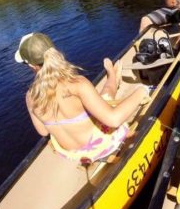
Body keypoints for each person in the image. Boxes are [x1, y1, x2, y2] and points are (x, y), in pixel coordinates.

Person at [15, 32, 149, 164]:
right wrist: (142, 90)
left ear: (32, 65)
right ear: (53, 51)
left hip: (73, 155)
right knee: (106, 96)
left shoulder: (29, 97)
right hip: (103, 145)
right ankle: (112, 75)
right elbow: (113, 120)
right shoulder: (76, 83)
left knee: (101, 100)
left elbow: (43, 131)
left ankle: (112, 75)